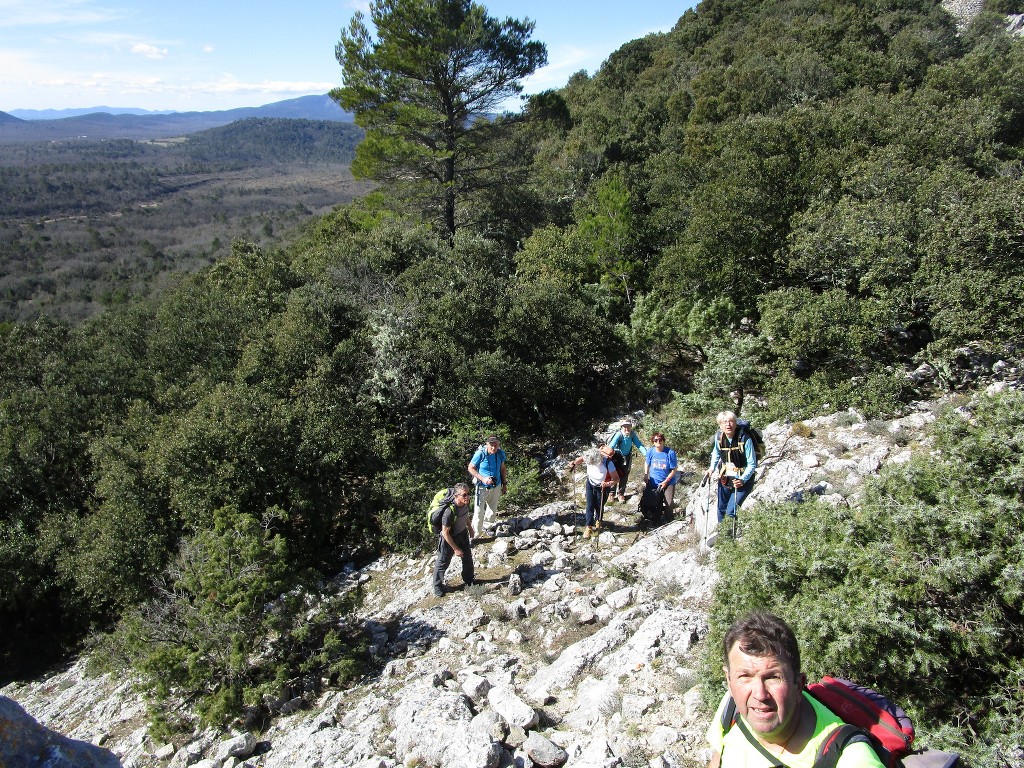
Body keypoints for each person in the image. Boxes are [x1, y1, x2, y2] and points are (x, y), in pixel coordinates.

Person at [707, 611, 884, 768]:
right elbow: (718, 760)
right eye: (745, 676)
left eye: (773, 677)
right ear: (729, 681)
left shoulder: (849, 758)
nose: (759, 694)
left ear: (798, 685)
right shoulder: (732, 708)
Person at [705, 411, 757, 526]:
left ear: (735, 423)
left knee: (730, 512)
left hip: (743, 480)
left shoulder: (744, 439)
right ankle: (722, 537)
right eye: (724, 422)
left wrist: (743, 479)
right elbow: (716, 453)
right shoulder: (719, 437)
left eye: (731, 421)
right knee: (721, 510)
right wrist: (711, 468)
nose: (728, 425)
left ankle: (729, 540)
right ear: (720, 425)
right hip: (725, 478)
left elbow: (752, 464)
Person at [430, 483, 475, 597]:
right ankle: (438, 587)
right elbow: (445, 533)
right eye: (464, 495)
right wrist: (455, 549)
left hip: (462, 534)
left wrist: (470, 528)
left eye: (468, 494)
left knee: (468, 559)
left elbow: (466, 516)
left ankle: (469, 580)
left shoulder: (465, 503)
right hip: (449, 538)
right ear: (456, 496)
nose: (468, 497)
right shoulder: (449, 512)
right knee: (443, 562)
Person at [568, 445, 619, 538]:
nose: (590, 463)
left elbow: (616, 479)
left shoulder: (607, 463)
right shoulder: (589, 456)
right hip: (590, 484)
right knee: (589, 505)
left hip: (602, 487)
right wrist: (574, 463)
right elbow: (581, 459)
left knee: (599, 506)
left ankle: (599, 521)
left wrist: (607, 484)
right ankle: (589, 527)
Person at [467, 435, 507, 541]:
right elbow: (471, 468)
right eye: (491, 445)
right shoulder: (480, 453)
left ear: (499, 444)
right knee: (479, 511)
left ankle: (487, 526)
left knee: (492, 508)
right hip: (482, 486)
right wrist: (483, 479)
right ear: (487, 444)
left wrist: (504, 484)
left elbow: (503, 469)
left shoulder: (500, 454)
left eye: (496, 445)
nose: (494, 448)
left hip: (496, 484)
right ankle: (475, 534)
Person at [607, 419, 645, 503]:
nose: (627, 428)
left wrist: (646, 454)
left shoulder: (632, 435)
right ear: (621, 427)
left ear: (631, 427)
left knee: (624, 475)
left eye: (628, 426)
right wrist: (607, 454)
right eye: (625, 426)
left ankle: (621, 494)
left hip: (627, 457)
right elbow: (612, 445)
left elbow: (639, 444)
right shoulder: (618, 434)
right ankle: (611, 493)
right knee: (614, 474)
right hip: (616, 457)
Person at [643, 431, 678, 508]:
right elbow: (647, 463)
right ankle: (655, 517)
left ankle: (669, 518)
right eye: (655, 440)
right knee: (653, 502)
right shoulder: (650, 451)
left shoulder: (670, 453)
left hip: (668, 482)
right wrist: (646, 474)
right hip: (653, 482)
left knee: (668, 504)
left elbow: (674, 470)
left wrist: (666, 481)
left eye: (660, 439)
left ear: (663, 440)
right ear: (653, 442)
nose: (658, 441)